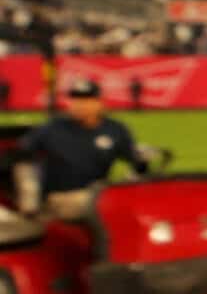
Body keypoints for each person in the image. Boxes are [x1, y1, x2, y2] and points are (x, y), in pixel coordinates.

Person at [7, 75, 150, 255]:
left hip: (99, 194)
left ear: (100, 103)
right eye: (75, 100)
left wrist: (143, 164)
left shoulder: (115, 129)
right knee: (100, 210)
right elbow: (20, 154)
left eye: (87, 100)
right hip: (61, 198)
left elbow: (135, 162)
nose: (80, 105)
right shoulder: (53, 128)